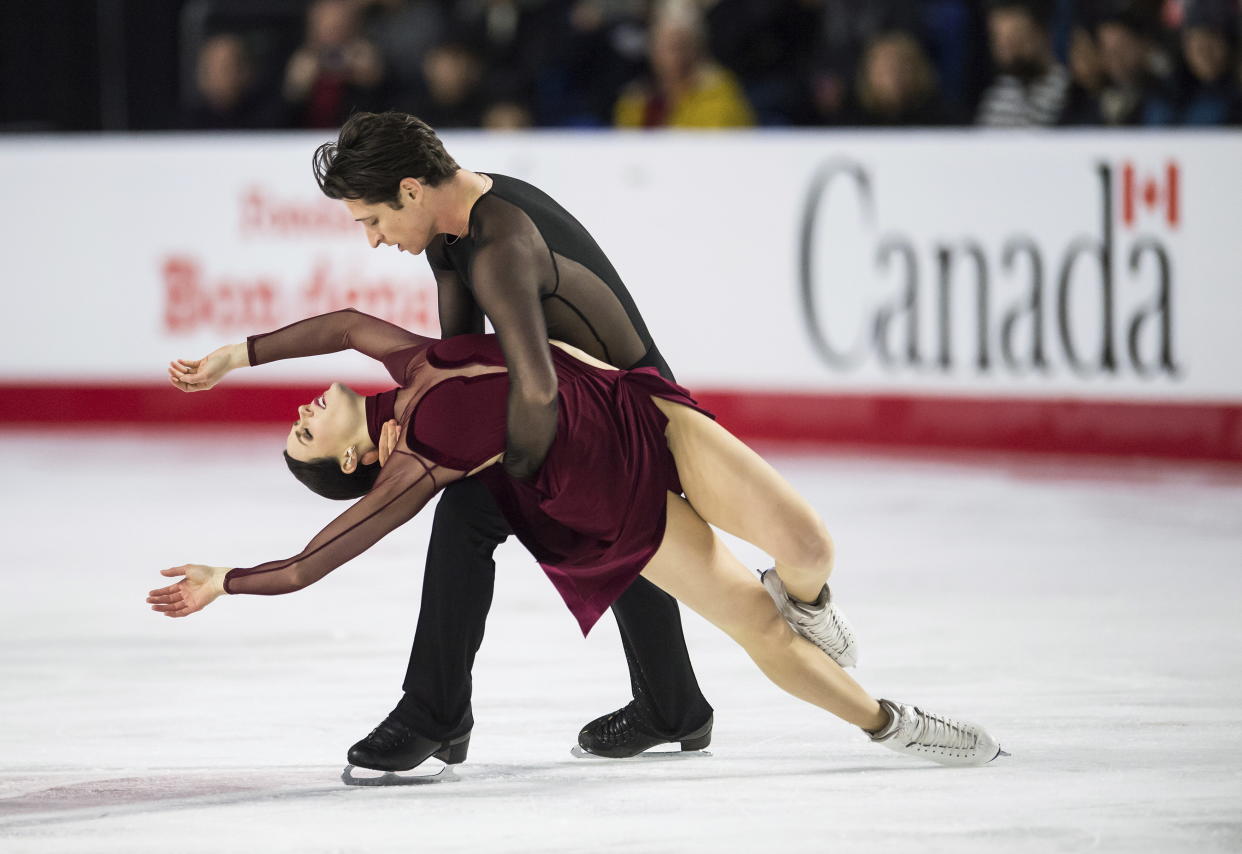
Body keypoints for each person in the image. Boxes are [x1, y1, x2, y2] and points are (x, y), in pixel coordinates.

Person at [150, 307, 1006, 771]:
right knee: (758, 626)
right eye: (305, 437)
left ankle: (818, 602)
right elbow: (311, 563)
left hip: (640, 417)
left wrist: (234, 355)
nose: (302, 414)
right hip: (625, 509)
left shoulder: (405, 365)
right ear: (351, 459)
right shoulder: (415, 466)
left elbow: (337, 324)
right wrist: (227, 580)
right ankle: (894, 725)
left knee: (809, 545)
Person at [303, 110, 716, 770]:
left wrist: (507, 472)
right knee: (535, 509)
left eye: (373, 221)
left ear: (410, 190)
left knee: (473, 513)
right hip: (581, 404)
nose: (375, 241)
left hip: (633, 415)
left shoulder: (496, 240)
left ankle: (436, 713)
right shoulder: (450, 235)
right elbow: (462, 363)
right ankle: (671, 703)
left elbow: (536, 391)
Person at [613, 0, 756, 128]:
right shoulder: (637, 100)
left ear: (696, 48)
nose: (673, 57)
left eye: (680, 45)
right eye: (665, 46)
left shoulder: (718, 92)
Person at [976, 0, 1073, 127]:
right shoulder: (997, 97)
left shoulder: (1070, 94)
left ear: (1042, 32)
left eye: (1016, 38)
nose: (1009, 53)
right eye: (999, 40)